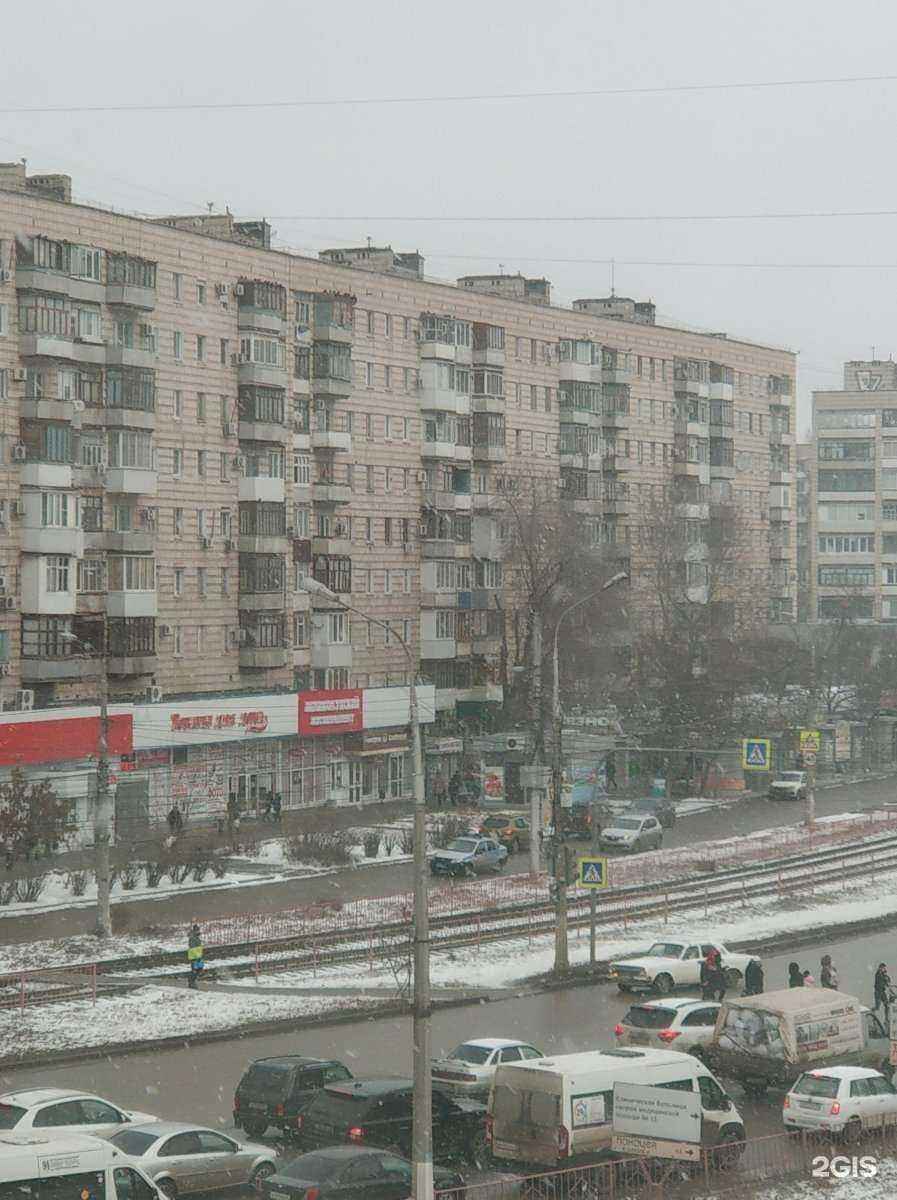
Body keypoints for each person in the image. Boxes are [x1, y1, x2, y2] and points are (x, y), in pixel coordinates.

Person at [186, 922, 204, 990]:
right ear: (194, 931)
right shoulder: (192, 938)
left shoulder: (196, 937)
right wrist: (197, 957)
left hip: (198, 956)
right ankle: (191, 982)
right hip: (194, 957)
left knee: (199, 969)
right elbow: (193, 948)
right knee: (195, 970)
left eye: (198, 930)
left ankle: (191, 981)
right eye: (197, 930)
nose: (199, 931)